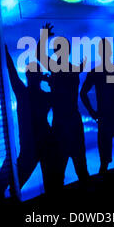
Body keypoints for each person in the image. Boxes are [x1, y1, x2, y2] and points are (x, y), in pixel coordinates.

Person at [0, 37, 60, 204]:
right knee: (10, 189)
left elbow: (11, 69)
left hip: (35, 149)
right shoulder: (34, 95)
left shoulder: (27, 94)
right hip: (32, 150)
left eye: (31, 74)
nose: (29, 76)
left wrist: (0, 51)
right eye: (30, 74)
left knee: (6, 190)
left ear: (32, 77)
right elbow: (11, 69)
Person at [37, 24, 90, 186]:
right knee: (80, 167)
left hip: (61, 123)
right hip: (72, 121)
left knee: (59, 171)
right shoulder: (73, 69)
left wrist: (44, 35)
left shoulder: (57, 69)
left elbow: (39, 54)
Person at [80, 37, 114, 174]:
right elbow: (84, 93)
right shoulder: (113, 67)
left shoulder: (97, 71)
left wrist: (93, 113)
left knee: (105, 162)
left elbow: (83, 93)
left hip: (106, 117)